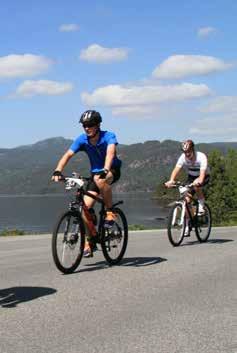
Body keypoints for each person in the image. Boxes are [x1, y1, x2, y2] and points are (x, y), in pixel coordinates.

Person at [52, 110, 122, 257]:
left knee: (100, 179)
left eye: (90, 125)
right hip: (95, 175)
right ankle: (91, 240)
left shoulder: (108, 136)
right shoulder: (82, 139)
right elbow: (68, 154)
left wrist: (106, 169)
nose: (87, 128)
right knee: (84, 209)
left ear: (98, 125)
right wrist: (58, 170)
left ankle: (110, 211)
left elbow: (110, 153)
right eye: (84, 125)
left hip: (111, 170)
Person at [165, 139, 210, 236]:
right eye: (185, 152)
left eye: (188, 152)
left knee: (198, 186)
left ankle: (201, 205)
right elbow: (176, 169)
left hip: (204, 175)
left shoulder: (201, 157)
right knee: (186, 199)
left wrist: (199, 181)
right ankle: (187, 224)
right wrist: (171, 180)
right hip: (191, 176)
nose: (187, 154)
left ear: (193, 149)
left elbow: (202, 176)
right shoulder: (183, 157)